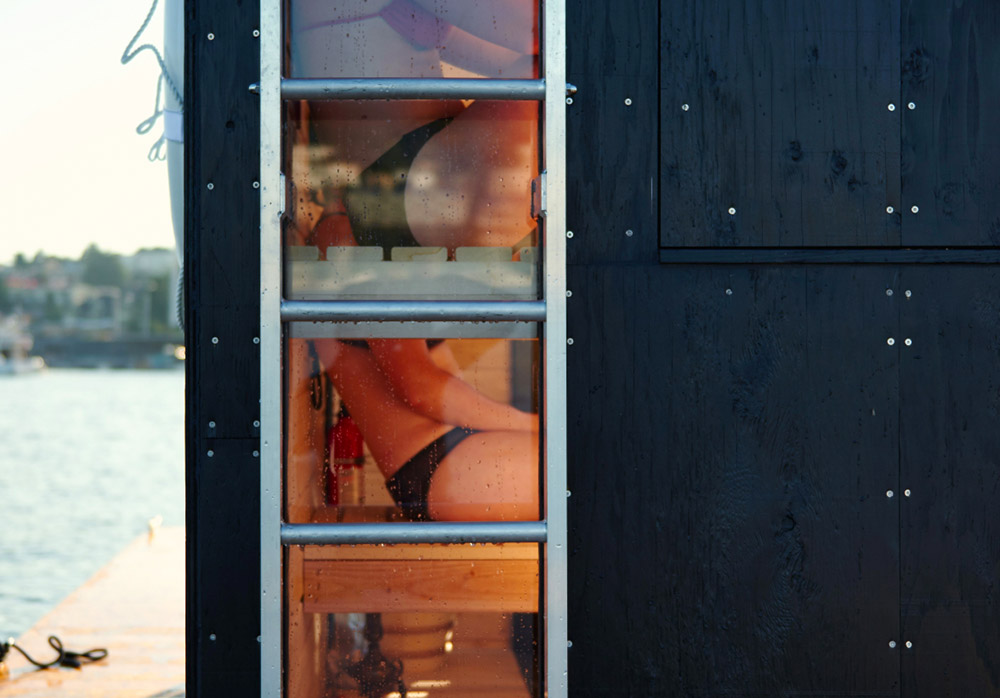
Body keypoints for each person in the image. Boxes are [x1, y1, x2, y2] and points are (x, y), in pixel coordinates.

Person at [290, 0, 543, 522]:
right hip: (436, 461)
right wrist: (536, 425)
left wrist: (533, 425)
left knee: (632, 473)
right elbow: (417, 384)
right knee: (629, 473)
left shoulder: (337, 242)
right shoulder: (339, 245)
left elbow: (418, 383)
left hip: (443, 457)